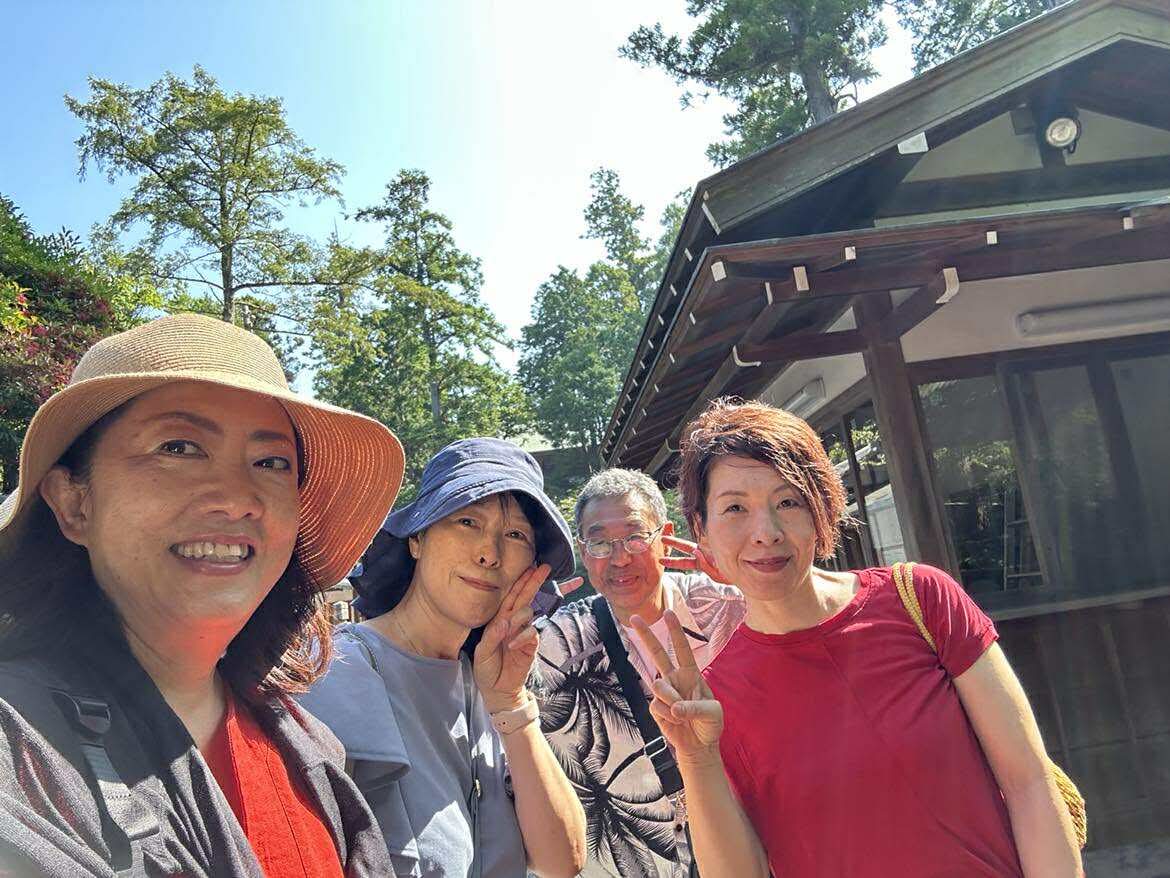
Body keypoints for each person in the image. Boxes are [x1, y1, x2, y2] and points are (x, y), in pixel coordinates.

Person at [0, 313, 405, 876]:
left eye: (271, 463)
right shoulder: (19, 750)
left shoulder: (310, 748)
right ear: (73, 503)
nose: (237, 499)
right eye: (180, 447)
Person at [631, 397, 1084, 878]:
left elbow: (1029, 781)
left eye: (788, 502)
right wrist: (697, 758)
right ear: (701, 530)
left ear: (822, 511)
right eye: (735, 508)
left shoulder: (920, 600)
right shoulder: (716, 698)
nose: (766, 532)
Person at [299, 438, 587, 878]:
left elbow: (563, 859)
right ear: (417, 538)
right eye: (467, 521)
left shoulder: (491, 684)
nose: (489, 553)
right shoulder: (337, 671)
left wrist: (512, 705)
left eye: (515, 535)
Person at [534, 468, 744, 878]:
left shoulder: (730, 608)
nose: (619, 558)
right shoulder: (556, 645)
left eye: (635, 536)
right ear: (583, 551)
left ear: (665, 536)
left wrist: (752, 579)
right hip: (634, 861)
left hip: (747, 850)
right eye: (599, 542)